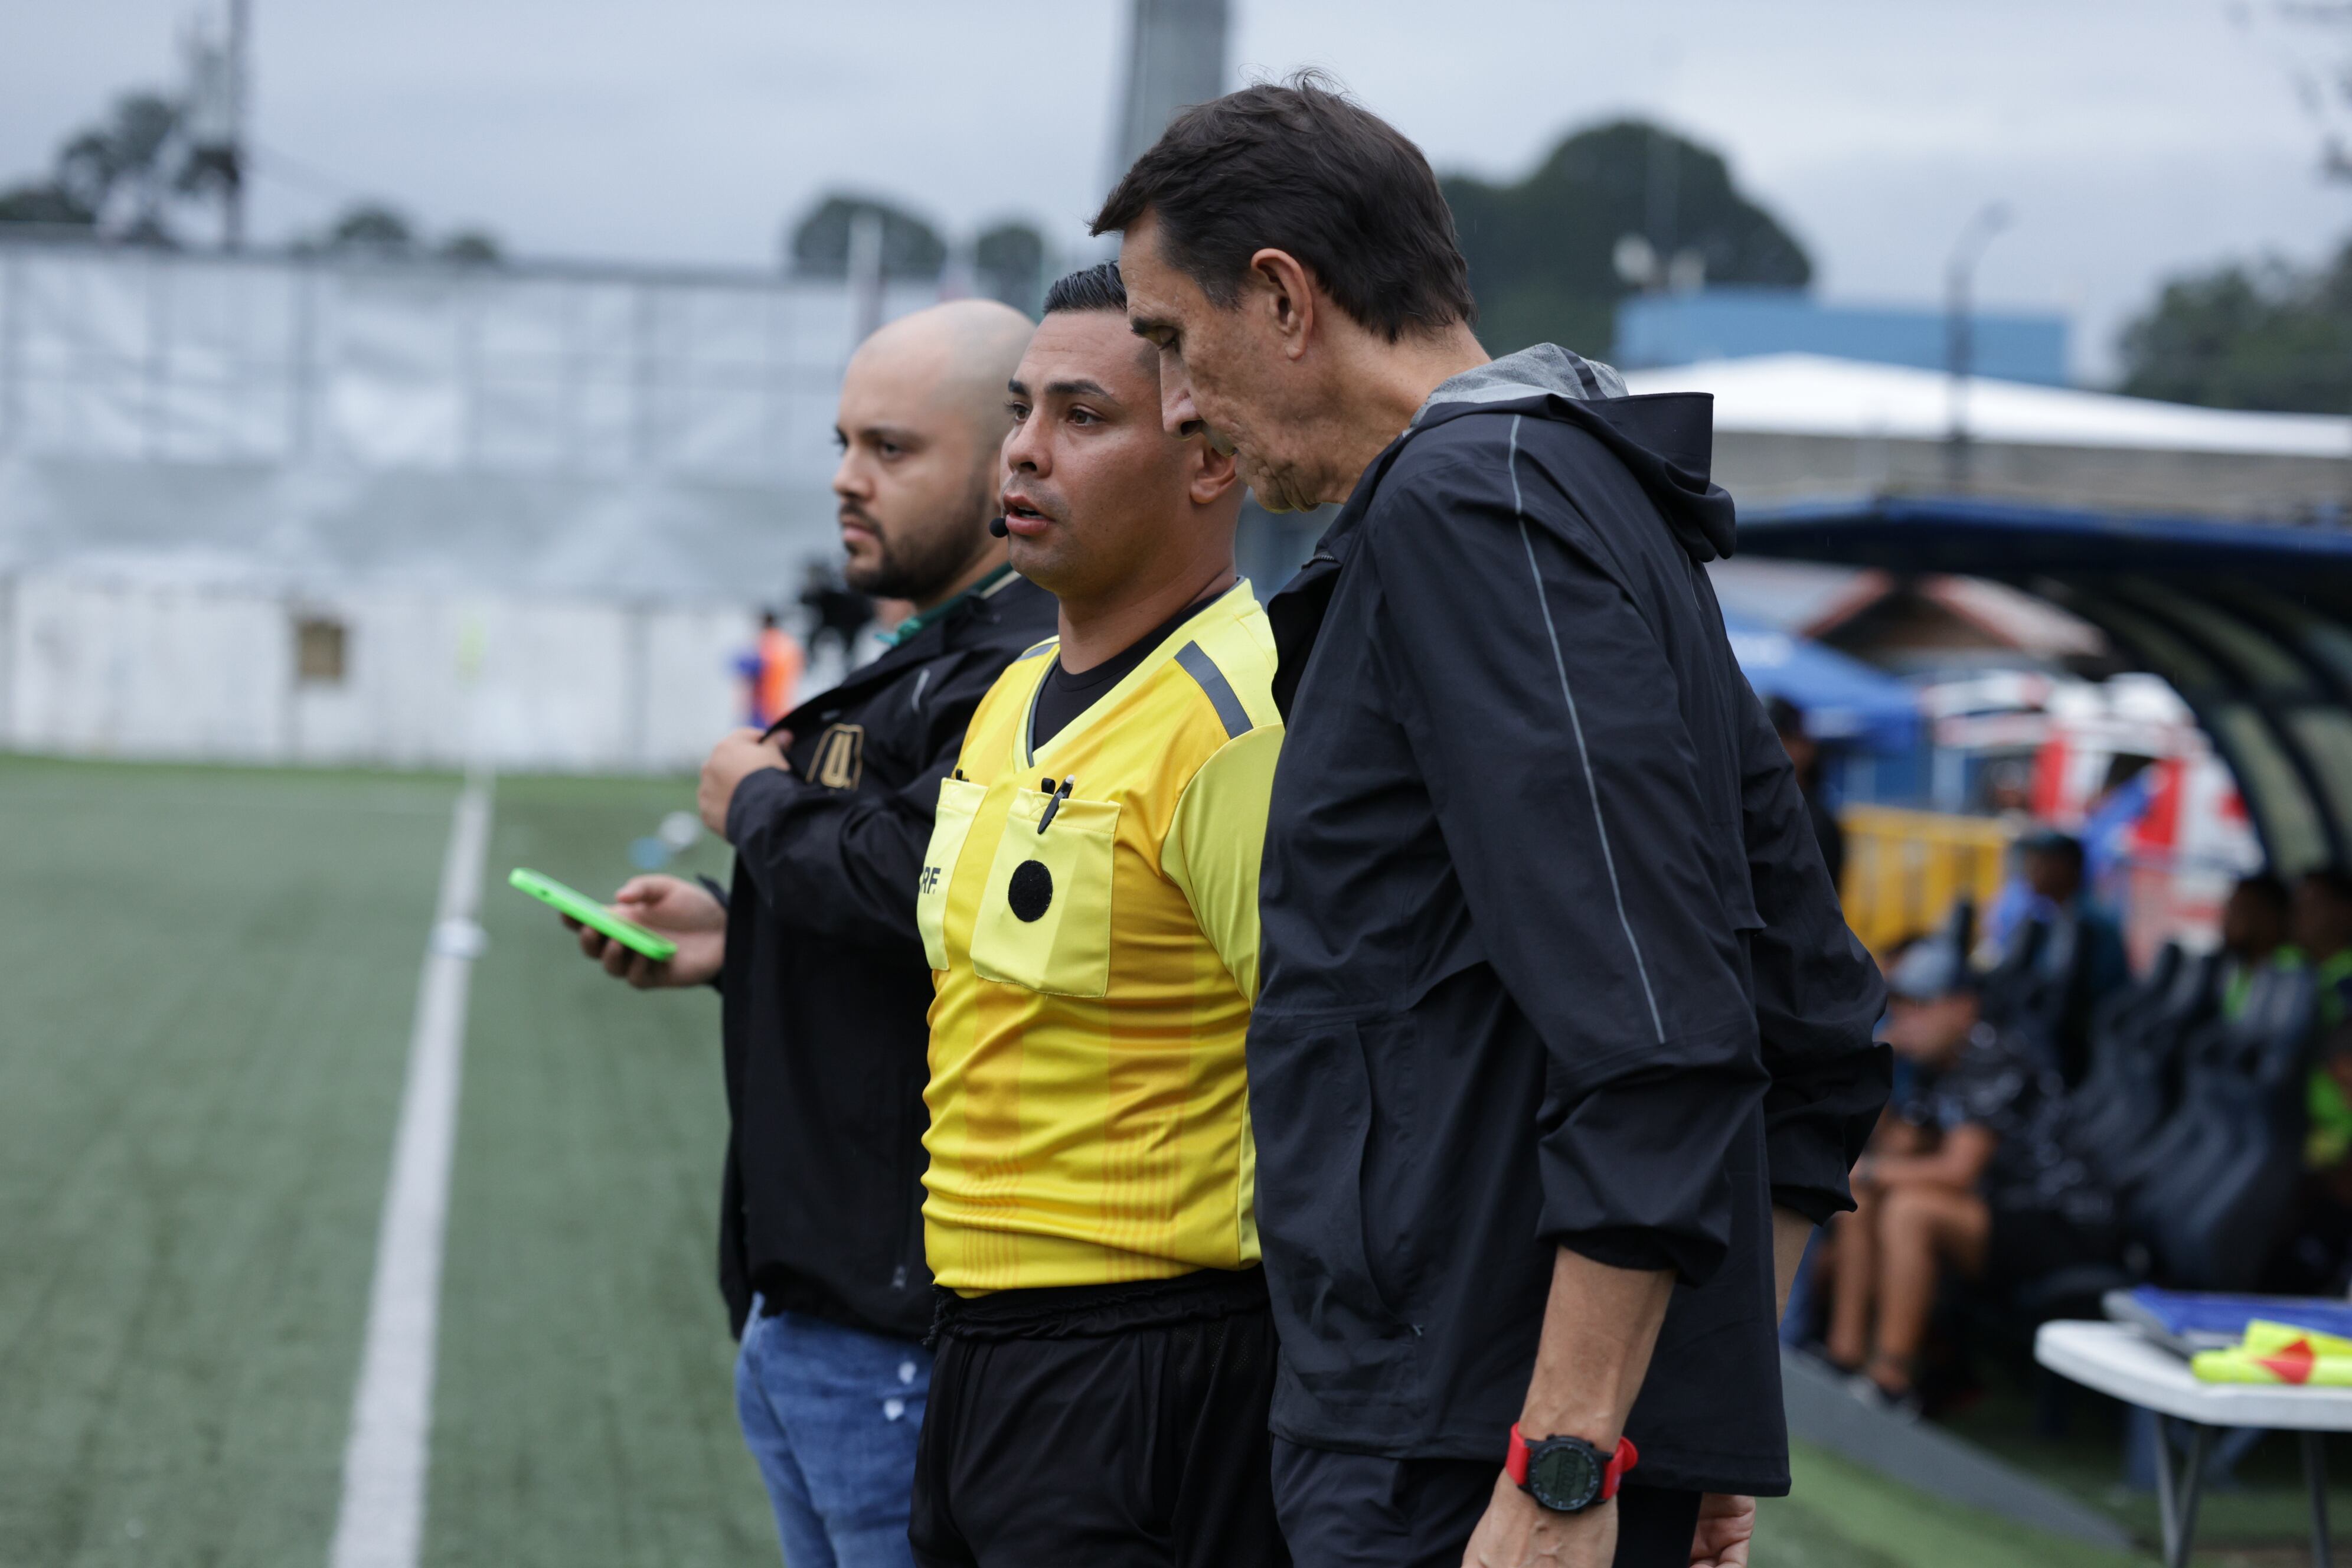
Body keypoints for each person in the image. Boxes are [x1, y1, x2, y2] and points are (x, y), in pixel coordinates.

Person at [1097, 76, 1889, 1568]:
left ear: (1281, 297)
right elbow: (1818, 1023)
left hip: (1461, 1465)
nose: (1175, 404)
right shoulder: (1585, 496)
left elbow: (1658, 1031)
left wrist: (1568, 1463)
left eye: (1167, 343)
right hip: (1496, 1435)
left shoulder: (1474, 506)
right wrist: (1693, 1404)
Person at [560, 298, 1051, 1568]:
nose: (846, 477)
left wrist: (759, 805)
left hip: (898, 1324)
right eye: (843, 442)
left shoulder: (1031, 669)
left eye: (891, 448)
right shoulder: (933, 653)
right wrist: (738, 935)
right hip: (816, 1304)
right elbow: (905, 946)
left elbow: (928, 886)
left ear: (1015, 456)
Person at [906, 262, 1289, 1567]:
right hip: (973, 1342)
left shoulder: (1241, 717)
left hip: (1146, 1367)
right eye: (1020, 411)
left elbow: (1332, 1071)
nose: (1021, 451)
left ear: (1210, 459)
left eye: (1081, 416)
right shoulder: (1010, 691)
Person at [1823, 940, 2118, 1415]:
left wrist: (1872, 1169)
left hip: (2061, 1223)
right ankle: (1844, 1357)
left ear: (1964, 1007)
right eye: (1901, 1005)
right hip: (1996, 1211)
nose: (1907, 1017)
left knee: (1910, 1208)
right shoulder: (1933, 1063)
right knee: (1864, 1191)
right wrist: (1876, 1068)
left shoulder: (1992, 1054)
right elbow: (1898, 1147)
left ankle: (1891, 1381)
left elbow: (1958, 1171)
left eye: (1922, 1005)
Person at [2010, 830, 2130, 1085]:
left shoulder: (2087, 926)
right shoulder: (2059, 919)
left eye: (2039, 862)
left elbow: (2070, 1005)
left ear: (2065, 867)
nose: (2030, 871)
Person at [1769, 696, 1845, 889]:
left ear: (1806, 748)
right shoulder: (1752, 808)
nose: (1767, 751)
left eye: (1780, 739)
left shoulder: (1814, 822)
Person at [2218, 871, 2293, 1020]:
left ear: (2268, 918)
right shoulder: (2240, 968)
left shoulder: (2289, 970)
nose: (2227, 921)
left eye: (2239, 911)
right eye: (2229, 910)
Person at [739, 609, 807, 728]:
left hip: (764, 707)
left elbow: (746, 665)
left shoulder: (766, 642)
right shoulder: (789, 643)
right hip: (784, 704)